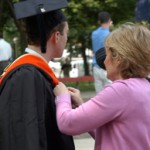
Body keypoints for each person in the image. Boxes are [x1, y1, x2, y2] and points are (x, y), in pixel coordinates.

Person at [54, 24, 150, 150]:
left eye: (107, 54)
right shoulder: (144, 86)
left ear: (118, 58)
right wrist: (81, 106)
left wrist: (62, 96)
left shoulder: (120, 90)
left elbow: (68, 123)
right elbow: (112, 134)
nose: (104, 61)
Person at [0, 0, 75, 150]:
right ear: (57, 36)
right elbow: (26, 136)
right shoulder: (27, 76)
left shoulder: (31, 72)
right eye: (67, 34)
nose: (67, 39)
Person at [91, 11, 112, 93]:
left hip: (96, 66)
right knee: (110, 94)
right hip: (107, 67)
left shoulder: (94, 34)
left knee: (99, 94)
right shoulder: (110, 35)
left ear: (99, 21)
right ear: (109, 21)